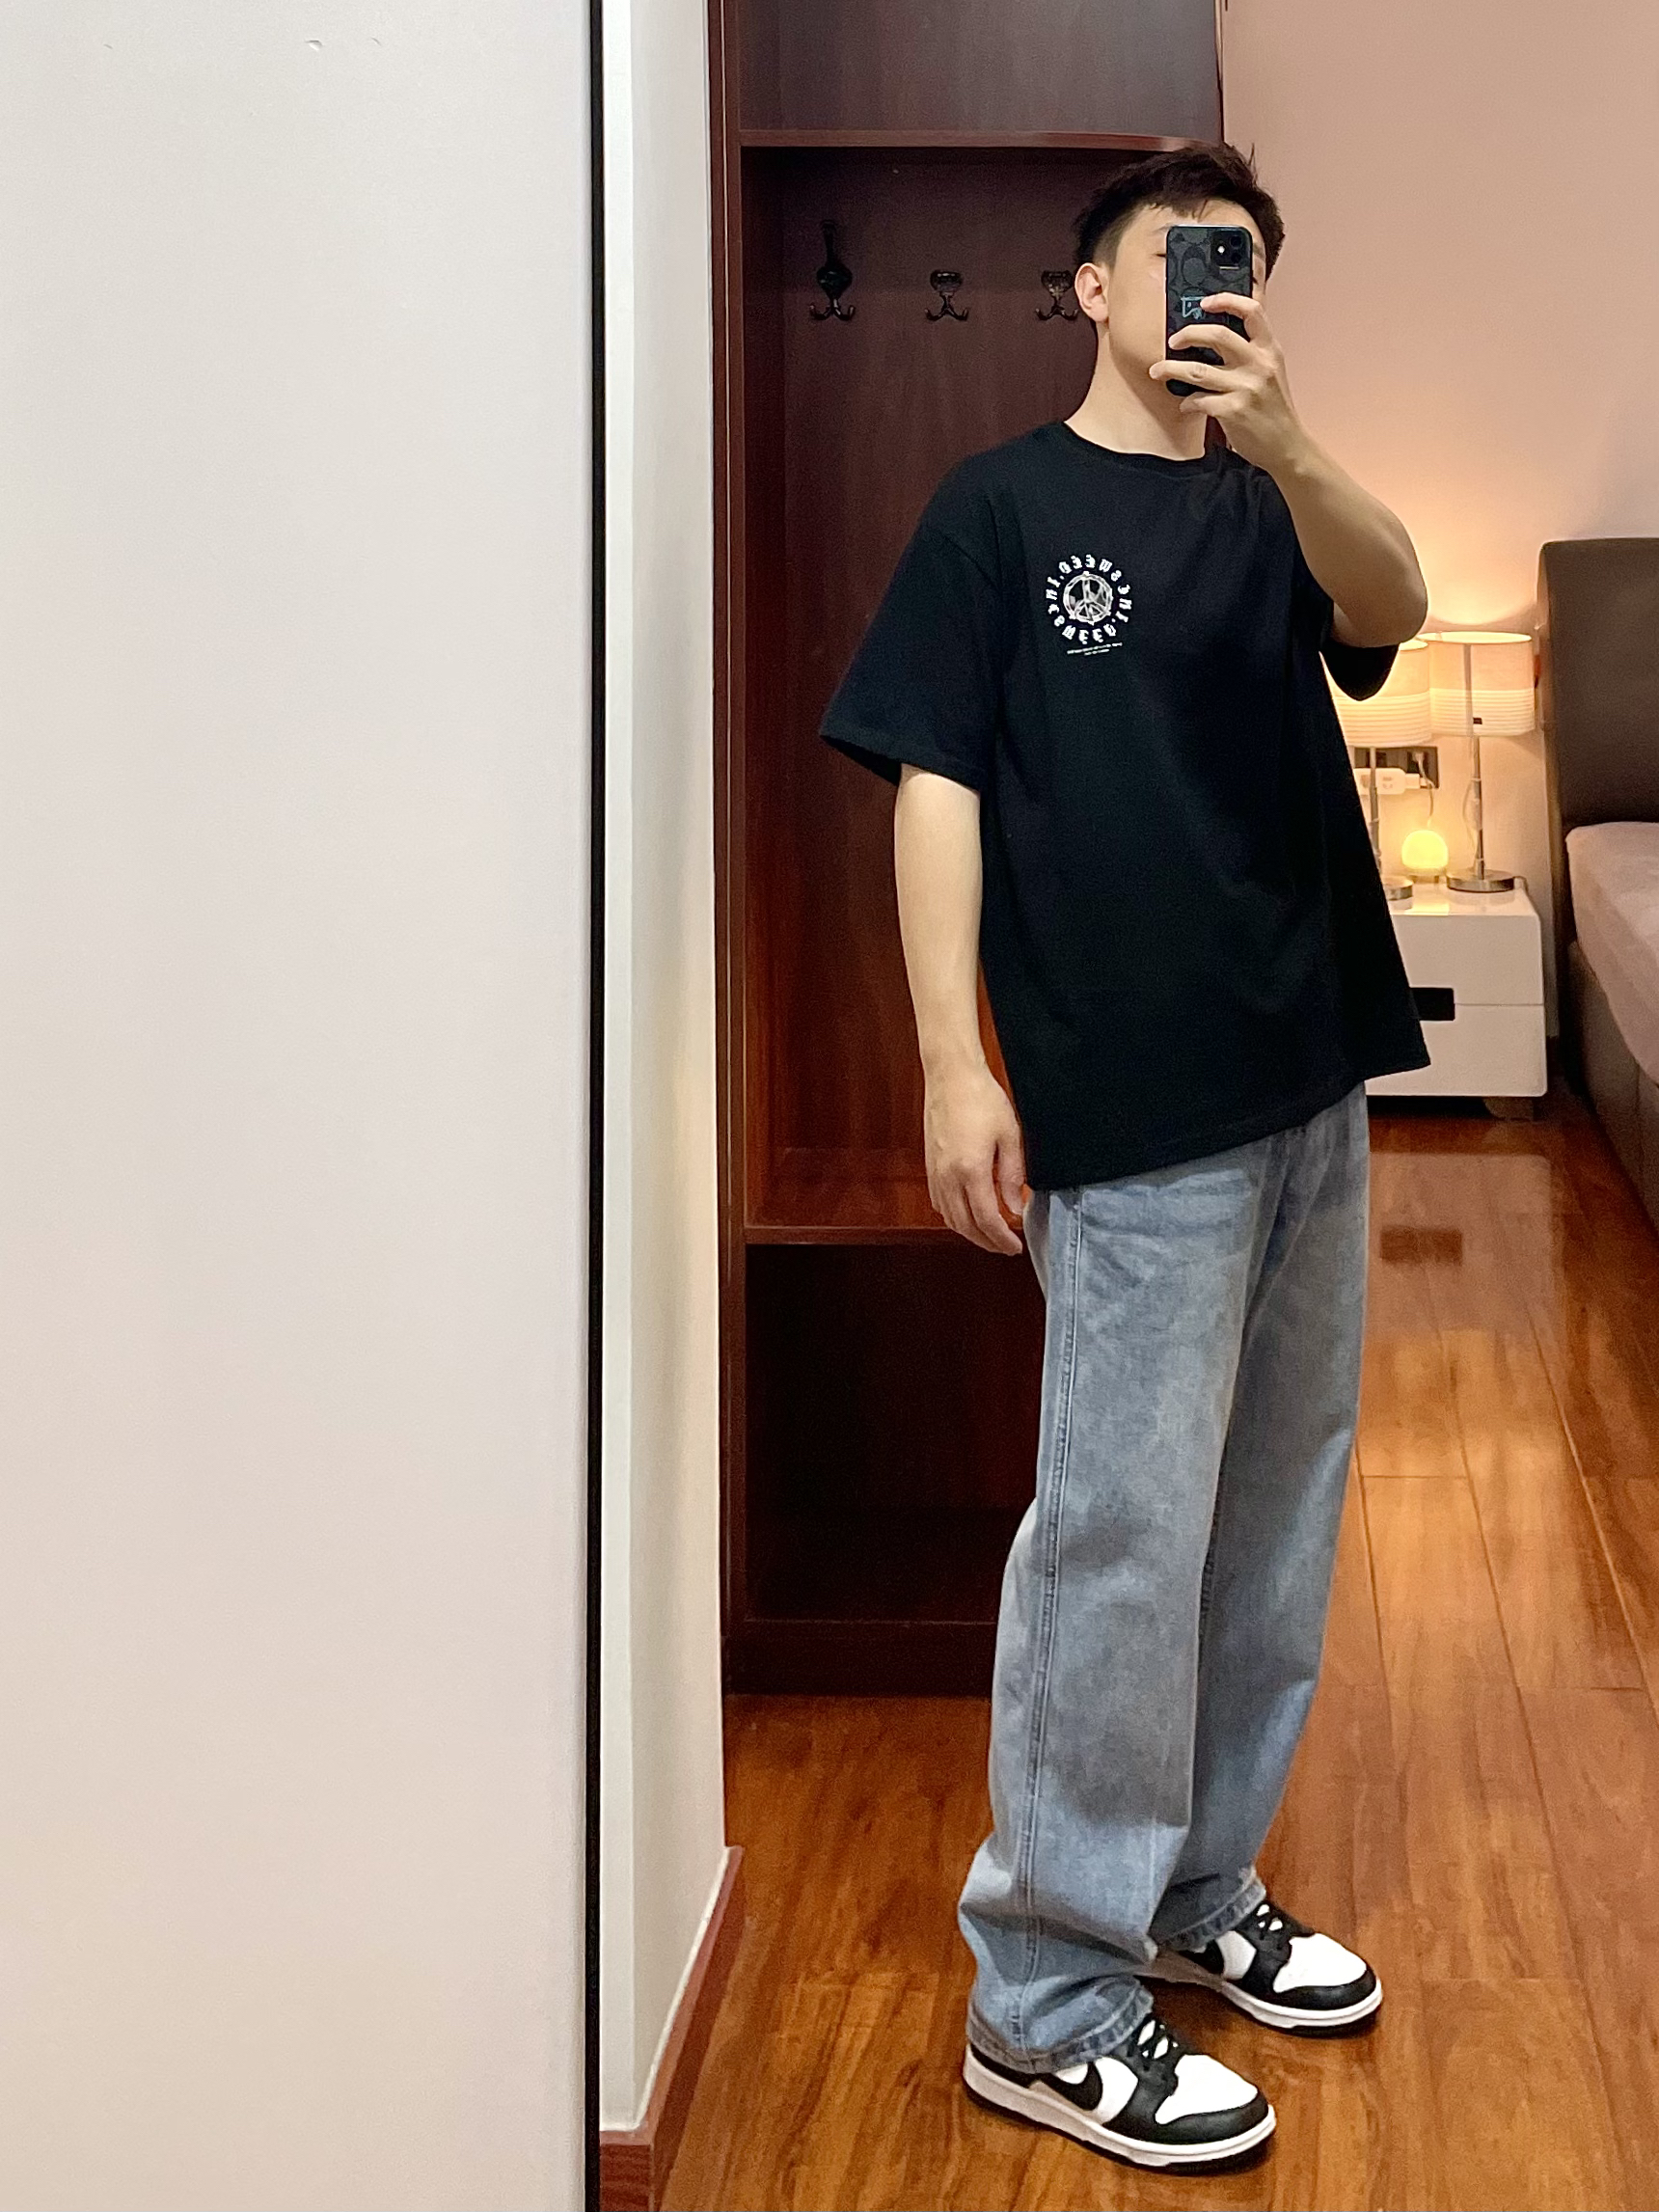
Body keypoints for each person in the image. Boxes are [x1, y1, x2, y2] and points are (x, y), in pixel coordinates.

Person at [819, 142, 1431, 2172]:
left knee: (1270, 1523)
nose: (1207, 290)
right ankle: (1045, 1994)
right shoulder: (996, 510)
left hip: (1312, 1075)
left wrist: (1291, 435)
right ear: (1092, 286)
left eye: (1240, 265)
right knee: (1115, 1541)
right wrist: (950, 1065)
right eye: (1176, 256)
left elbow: (1394, 600)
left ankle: (1189, 1890)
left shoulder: (1273, 503)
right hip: (1128, 1104)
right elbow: (931, 779)